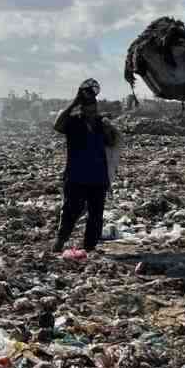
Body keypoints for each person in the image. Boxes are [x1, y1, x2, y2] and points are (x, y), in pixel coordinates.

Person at [52, 78, 121, 253]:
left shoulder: (101, 124)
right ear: (81, 108)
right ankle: (60, 241)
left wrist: (109, 129)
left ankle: (89, 248)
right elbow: (57, 125)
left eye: (94, 108)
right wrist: (74, 101)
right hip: (76, 176)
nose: (92, 112)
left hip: (98, 177)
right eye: (88, 108)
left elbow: (113, 141)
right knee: (70, 211)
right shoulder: (74, 122)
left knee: (96, 216)